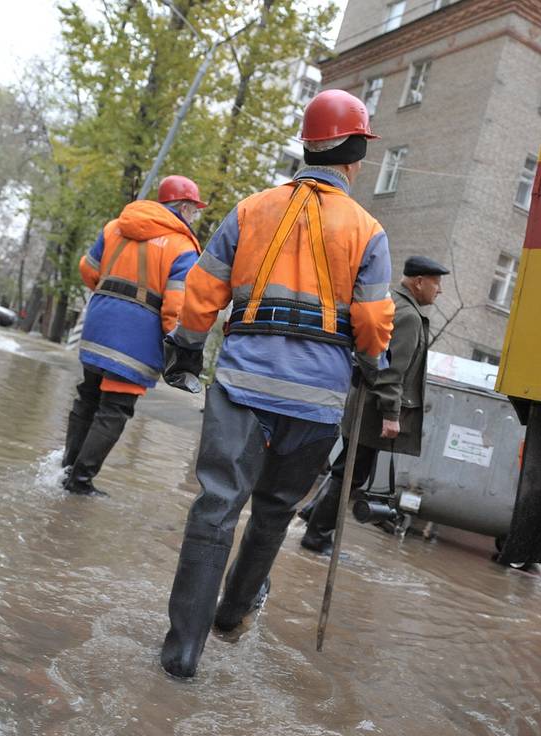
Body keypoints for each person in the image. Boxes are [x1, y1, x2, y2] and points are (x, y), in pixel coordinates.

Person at [158, 89, 395, 678]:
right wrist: (371, 364)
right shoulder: (368, 230)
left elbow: (203, 295)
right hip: (316, 404)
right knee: (273, 514)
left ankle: (181, 655)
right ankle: (232, 615)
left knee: (217, 507)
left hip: (241, 385)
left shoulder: (250, 210)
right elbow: (371, 324)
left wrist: (187, 351)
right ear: (353, 154)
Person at [60, 175, 205, 495]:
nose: (194, 217)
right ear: (183, 207)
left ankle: (67, 472)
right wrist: (178, 347)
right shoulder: (182, 246)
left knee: (88, 397)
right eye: (194, 210)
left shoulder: (115, 227)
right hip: (135, 339)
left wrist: (111, 297)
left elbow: (88, 269)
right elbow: (175, 308)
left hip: (98, 325)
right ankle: (80, 483)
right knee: (115, 408)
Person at [299, 255, 449, 555]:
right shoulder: (407, 315)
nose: (439, 290)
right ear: (419, 282)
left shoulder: (392, 303)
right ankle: (317, 536)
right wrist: (391, 415)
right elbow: (392, 371)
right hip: (374, 409)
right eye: (436, 283)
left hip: (365, 402)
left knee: (346, 469)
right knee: (351, 474)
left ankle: (312, 514)